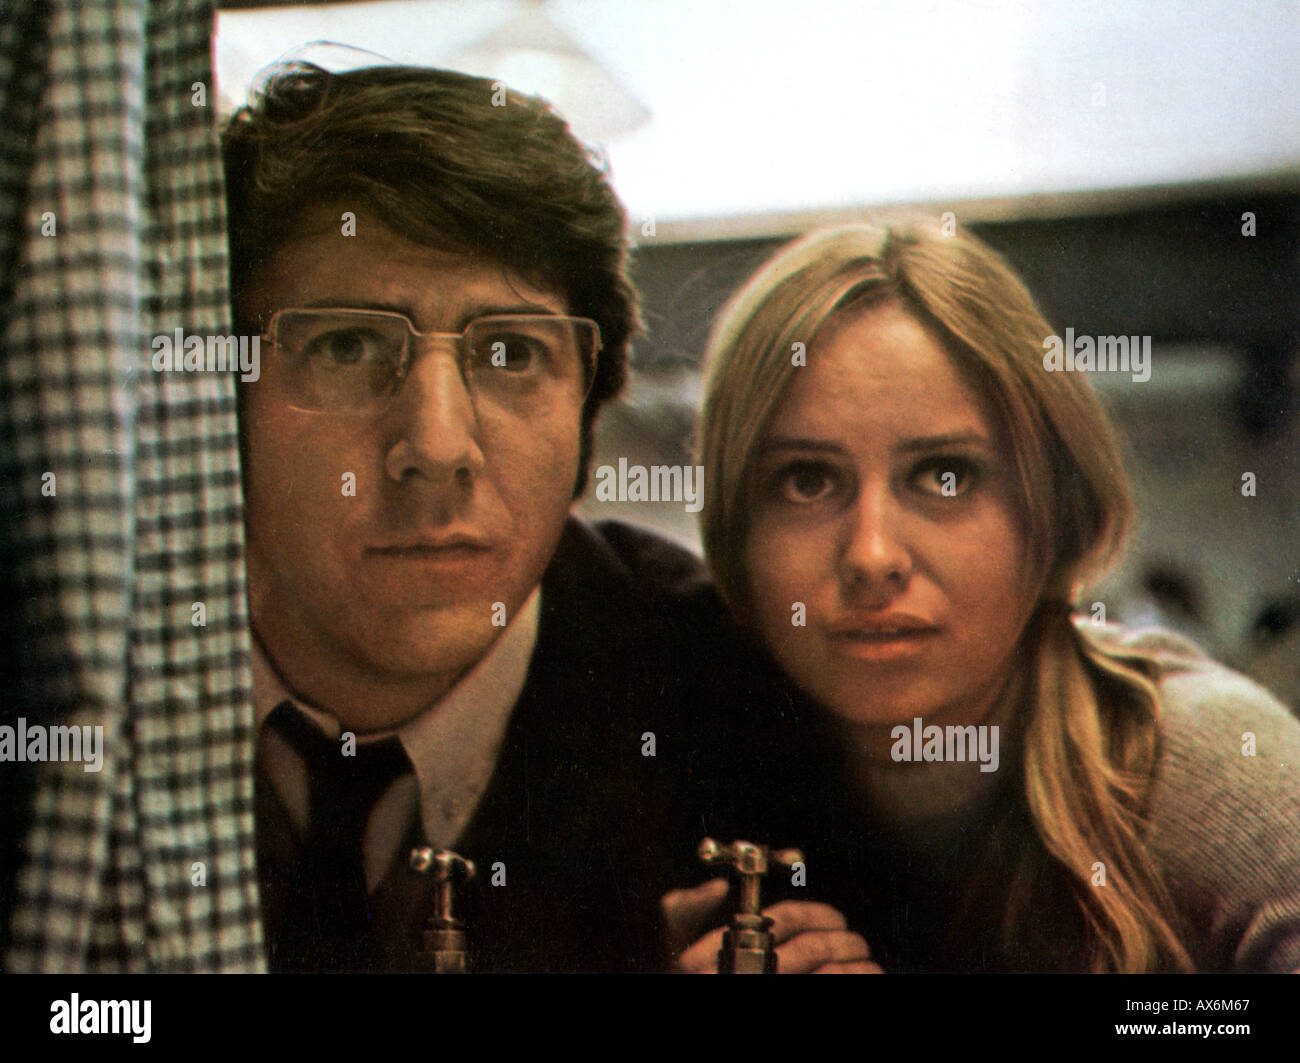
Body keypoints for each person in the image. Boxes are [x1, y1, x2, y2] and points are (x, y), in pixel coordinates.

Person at [222, 60, 866, 974]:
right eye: (348, 344)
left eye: (511, 353)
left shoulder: (748, 708)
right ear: (214, 401)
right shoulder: (73, 683)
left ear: (587, 412)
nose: (437, 445)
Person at [676, 220, 1300, 973]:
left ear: (1051, 515)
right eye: (807, 480)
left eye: (945, 476)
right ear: (736, 534)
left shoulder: (1208, 768)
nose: (872, 556)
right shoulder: (686, 771)